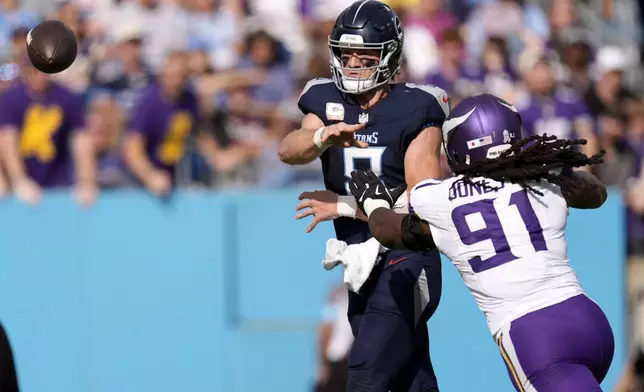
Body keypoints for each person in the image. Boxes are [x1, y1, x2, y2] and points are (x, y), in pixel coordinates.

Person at [348, 94, 615, 391]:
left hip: (536, 337)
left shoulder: (438, 198)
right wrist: (557, 168)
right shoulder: (541, 177)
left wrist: (373, 202)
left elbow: (389, 230)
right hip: (588, 320)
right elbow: (596, 193)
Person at [278, 1, 449, 391]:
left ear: (389, 54)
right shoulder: (324, 100)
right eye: (346, 53)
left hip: (408, 259)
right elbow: (289, 149)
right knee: (412, 380)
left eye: (365, 53)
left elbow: (421, 208)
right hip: (360, 267)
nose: (353, 62)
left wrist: (343, 205)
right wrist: (323, 135)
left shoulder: (418, 107)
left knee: (366, 376)